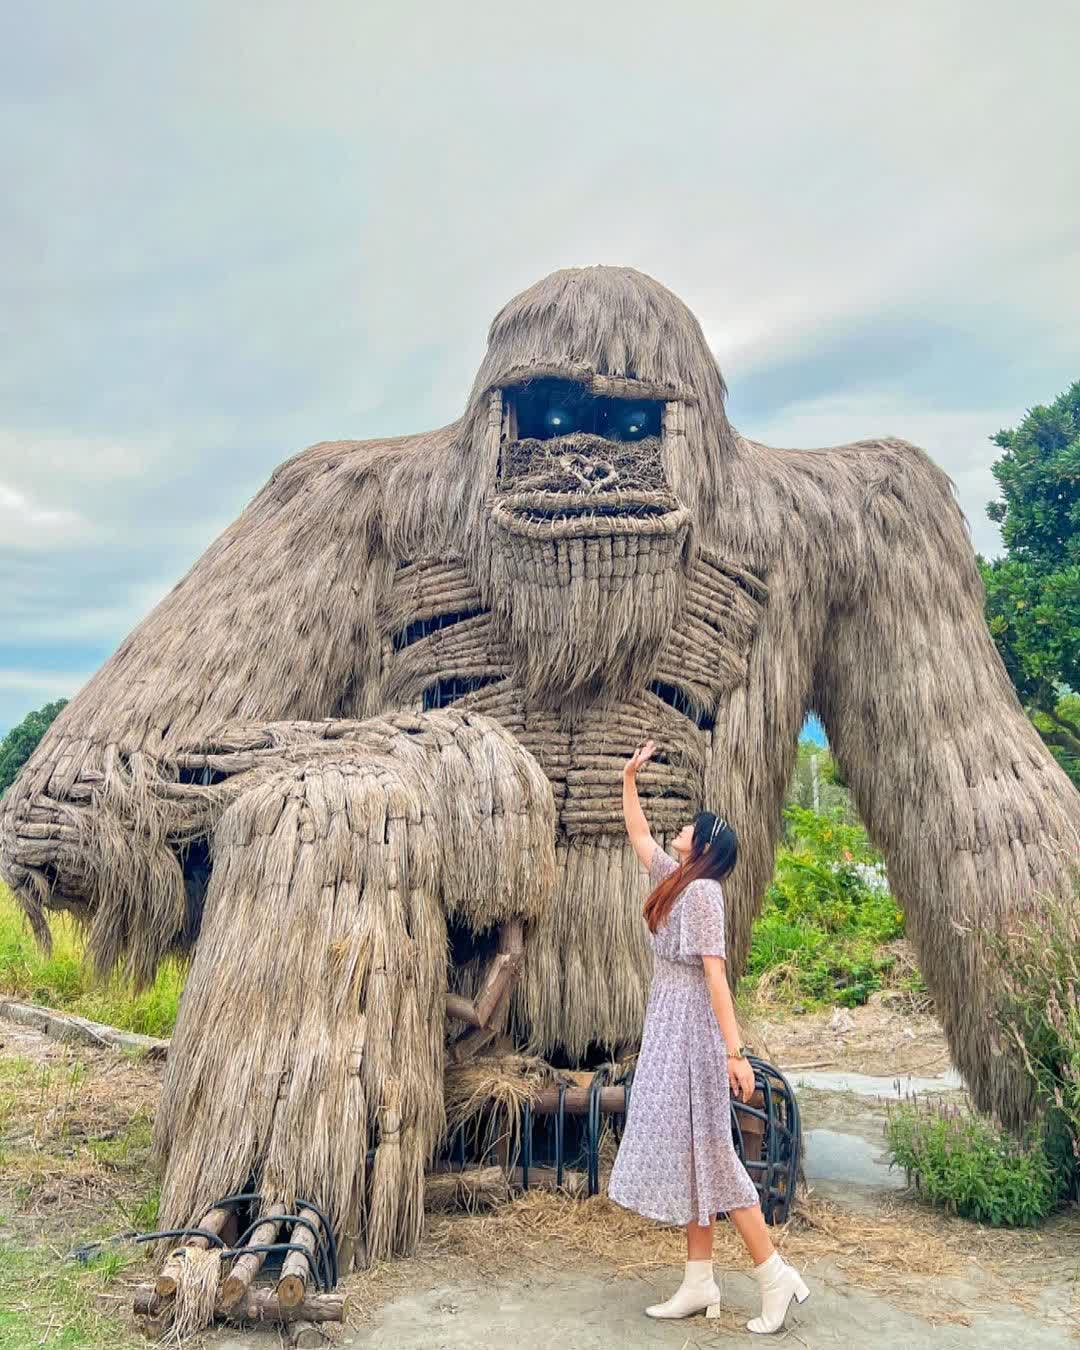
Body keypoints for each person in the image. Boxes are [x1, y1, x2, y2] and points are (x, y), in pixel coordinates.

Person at [608, 741, 809, 1334]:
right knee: (698, 1157)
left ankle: (775, 1276)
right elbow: (640, 838)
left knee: (714, 1157)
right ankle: (700, 1282)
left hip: (692, 1031)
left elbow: (716, 977)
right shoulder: (678, 880)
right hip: (670, 1024)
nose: (682, 827)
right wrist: (627, 781)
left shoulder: (702, 894)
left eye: (693, 826)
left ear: (705, 844)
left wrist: (734, 1052)